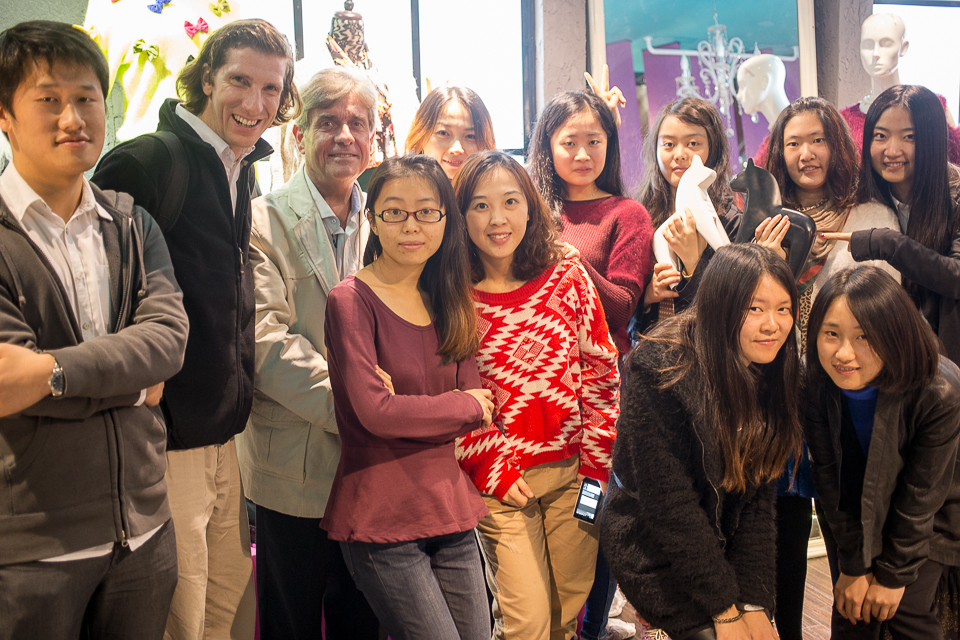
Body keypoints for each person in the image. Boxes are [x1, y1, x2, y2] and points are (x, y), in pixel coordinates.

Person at [91, 19, 300, 640]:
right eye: (240, 81)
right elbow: (94, 297)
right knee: (180, 613)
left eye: (271, 89)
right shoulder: (147, 162)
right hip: (165, 438)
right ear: (207, 77)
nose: (255, 103)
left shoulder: (239, 167)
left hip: (224, 436)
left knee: (227, 608)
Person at [0, 20, 189, 638]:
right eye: (48, 99)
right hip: (31, 548)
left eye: (86, 98)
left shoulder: (132, 224)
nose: (73, 118)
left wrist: (51, 373)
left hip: (144, 532)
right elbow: (5, 382)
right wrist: (132, 384)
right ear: (5, 115)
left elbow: (167, 342)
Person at [321, 154, 494, 640]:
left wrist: (414, 408)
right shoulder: (350, 300)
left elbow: (481, 400)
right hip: (382, 516)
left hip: (449, 507)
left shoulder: (448, 297)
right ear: (373, 219)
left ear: (446, 219)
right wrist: (460, 406)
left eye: (426, 212)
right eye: (395, 212)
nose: (411, 225)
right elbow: (377, 413)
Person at [234, 67, 379, 639]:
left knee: (362, 620)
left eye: (357, 124)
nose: (344, 136)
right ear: (298, 133)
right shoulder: (262, 220)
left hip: (371, 470)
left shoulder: (387, 219)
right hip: (293, 466)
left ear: (374, 137)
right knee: (290, 621)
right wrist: (364, 409)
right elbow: (264, 341)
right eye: (328, 123)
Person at [453, 150, 621, 640]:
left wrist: (595, 469)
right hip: (503, 486)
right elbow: (452, 396)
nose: (498, 219)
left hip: (577, 477)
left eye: (510, 201)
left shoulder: (567, 276)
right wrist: (491, 468)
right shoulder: (452, 295)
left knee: (565, 614)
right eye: (481, 206)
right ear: (462, 216)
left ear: (530, 207)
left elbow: (602, 374)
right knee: (525, 623)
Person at [601, 243, 802, 640]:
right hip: (654, 546)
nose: (773, 325)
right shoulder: (661, 367)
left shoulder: (772, 370)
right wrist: (725, 610)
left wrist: (753, 603)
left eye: (783, 309)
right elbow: (669, 507)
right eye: (755, 308)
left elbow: (757, 502)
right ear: (721, 305)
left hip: (721, 539)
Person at [757, 96, 901, 640]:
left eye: (817, 140)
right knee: (782, 544)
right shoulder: (764, 220)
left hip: (847, 398)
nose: (806, 154)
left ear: (837, 145)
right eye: (793, 142)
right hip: (778, 400)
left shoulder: (870, 215)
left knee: (851, 542)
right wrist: (766, 260)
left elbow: (881, 306)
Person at [527, 89, 652, 639]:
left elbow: (622, 306)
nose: (582, 154)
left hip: (600, 396)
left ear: (610, 144)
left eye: (594, 141)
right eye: (569, 142)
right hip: (532, 388)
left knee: (594, 511)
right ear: (547, 145)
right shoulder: (529, 208)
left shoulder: (627, 214)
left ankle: (592, 629)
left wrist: (571, 259)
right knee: (534, 510)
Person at [805, 265, 960, 639]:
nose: (844, 353)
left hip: (933, 521)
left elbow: (921, 495)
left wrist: (892, 575)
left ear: (894, 333)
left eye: (864, 336)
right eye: (831, 334)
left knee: (902, 612)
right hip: (856, 514)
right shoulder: (815, 385)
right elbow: (829, 480)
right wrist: (854, 566)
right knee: (852, 611)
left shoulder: (937, 390)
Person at [823, 85, 960, 366]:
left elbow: (956, 277)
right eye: (881, 136)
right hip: (878, 357)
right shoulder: (859, 198)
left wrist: (886, 243)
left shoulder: (955, 195)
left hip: (946, 362)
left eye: (909, 137)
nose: (892, 150)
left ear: (933, 140)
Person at [633, 98, 741, 336]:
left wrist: (693, 263)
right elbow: (624, 317)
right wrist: (648, 297)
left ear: (713, 148)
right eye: (668, 144)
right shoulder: (640, 216)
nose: (680, 154)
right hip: (651, 347)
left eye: (693, 143)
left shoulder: (730, 220)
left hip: (705, 347)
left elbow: (735, 304)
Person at [404, 86, 496, 180]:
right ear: (420, 137)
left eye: (470, 136)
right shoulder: (400, 186)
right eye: (443, 133)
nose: (457, 149)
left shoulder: (498, 187)